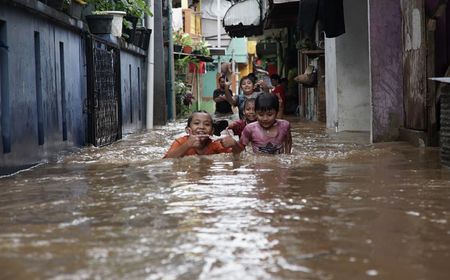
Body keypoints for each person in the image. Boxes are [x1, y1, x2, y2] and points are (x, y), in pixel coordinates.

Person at [163, 111, 240, 158]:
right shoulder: (181, 142)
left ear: (212, 131)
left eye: (206, 124)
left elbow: (238, 155)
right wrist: (187, 145)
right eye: (196, 123)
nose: (201, 127)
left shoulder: (214, 145)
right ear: (187, 130)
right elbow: (167, 159)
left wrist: (234, 144)